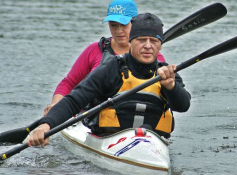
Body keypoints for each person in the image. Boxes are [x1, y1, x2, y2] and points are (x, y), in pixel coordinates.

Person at [28, 13, 191, 148]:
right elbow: (74, 101)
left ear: (160, 45)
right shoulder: (111, 69)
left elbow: (183, 106)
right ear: (130, 42)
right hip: (107, 141)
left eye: (154, 41)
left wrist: (171, 87)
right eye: (141, 40)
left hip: (154, 145)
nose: (148, 46)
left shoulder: (167, 73)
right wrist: (46, 125)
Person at [43, 0, 166, 115]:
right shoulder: (94, 50)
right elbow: (69, 83)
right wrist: (56, 105)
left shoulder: (151, 56)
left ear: (135, 24)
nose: (118, 31)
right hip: (95, 120)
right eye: (113, 25)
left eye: (123, 25)